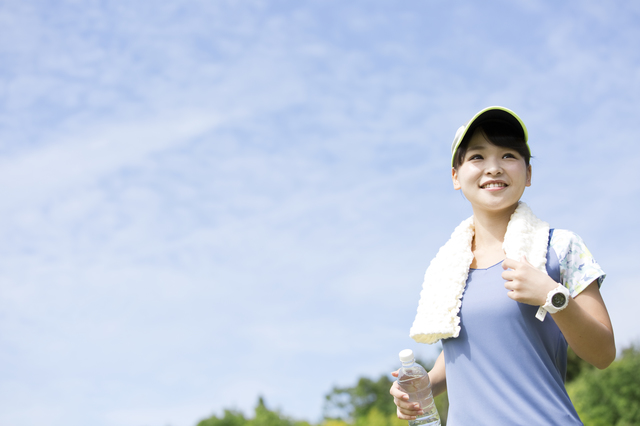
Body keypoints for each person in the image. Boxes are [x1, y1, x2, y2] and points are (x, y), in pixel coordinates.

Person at [389, 106, 615, 425]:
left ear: (529, 172)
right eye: (477, 157)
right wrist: (420, 386)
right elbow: (463, 351)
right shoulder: (449, 268)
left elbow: (603, 354)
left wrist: (553, 295)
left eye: (508, 155)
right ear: (456, 175)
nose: (493, 168)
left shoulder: (560, 247)